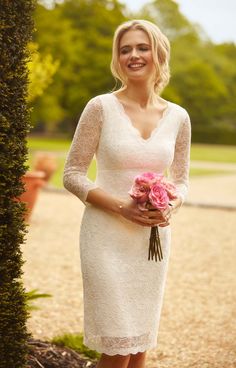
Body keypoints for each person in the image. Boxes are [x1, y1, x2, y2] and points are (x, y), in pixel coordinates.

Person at [63, 19, 191, 368]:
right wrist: (121, 206)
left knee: (139, 344)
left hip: (152, 243)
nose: (133, 55)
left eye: (142, 47)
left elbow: (180, 181)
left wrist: (169, 207)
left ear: (158, 53)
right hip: (104, 239)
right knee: (117, 348)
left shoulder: (179, 117)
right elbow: (72, 175)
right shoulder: (100, 107)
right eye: (125, 49)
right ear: (118, 59)